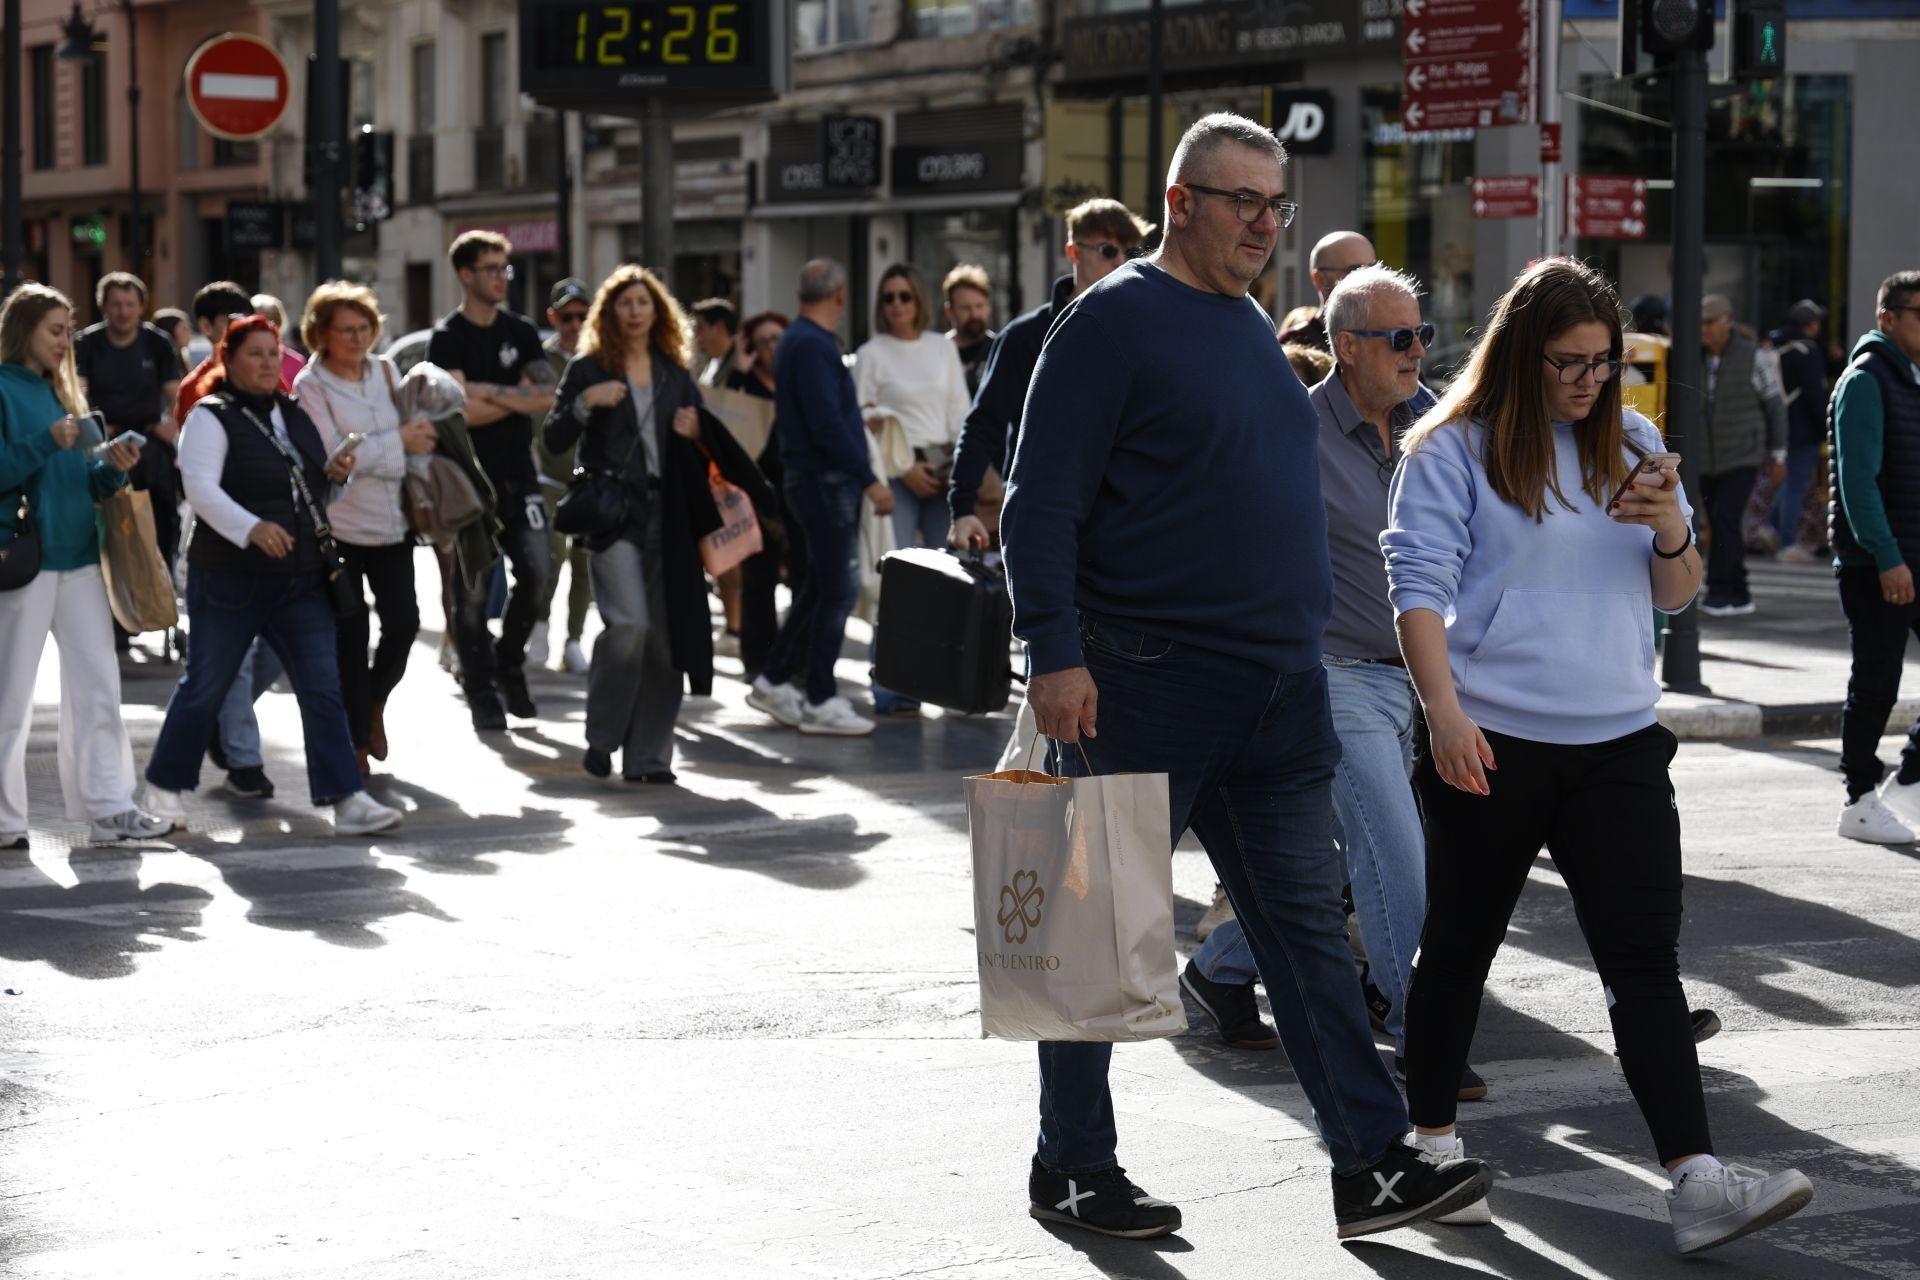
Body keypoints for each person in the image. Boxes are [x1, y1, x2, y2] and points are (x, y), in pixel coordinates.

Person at [1002, 112, 1490, 1242]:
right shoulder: (1113, 319)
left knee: (1309, 936)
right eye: (1242, 203)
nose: (1265, 225)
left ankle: (1371, 1163)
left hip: (1279, 688)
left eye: (1279, 206)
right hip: (1143, 678)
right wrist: (1053, 650)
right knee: (1099, 932)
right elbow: (1041, 499)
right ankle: (1071, 1167)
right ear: (1181, 202)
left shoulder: (1250, 328)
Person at [1383, 257, 1812, 1252]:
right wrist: (1442, 714)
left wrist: (1670, 527)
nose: (1587, 380)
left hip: (1619, 738)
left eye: (1603, 362)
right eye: (1568, 362)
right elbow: (1415, 587)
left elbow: (1676, 593)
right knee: (1459, 945)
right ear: (1521, 354)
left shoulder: (1636, 439)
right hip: (1492, 736)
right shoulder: (1453, 447)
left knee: (1644, 961)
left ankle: (1697, 1182)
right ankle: (1432, 1148)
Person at [1184, 264, 1494, 1099]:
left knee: (1323, 877)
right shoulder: (1291, 427)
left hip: (1429, 681)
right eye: (1399, 338)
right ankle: (1421, 1024)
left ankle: (1217, 968)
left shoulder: (1436, 426)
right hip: (1332, 675)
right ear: (1345, 347)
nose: (1417, 351)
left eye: (1423, 334)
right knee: (1397, 855)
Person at [139, 317, 403, 837]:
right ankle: (163, 789)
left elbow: (314, 498)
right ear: (228, 360)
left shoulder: (291, 412)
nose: (266, 363)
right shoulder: (211, 417)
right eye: (254, 353)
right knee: (206, 685)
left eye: (272, 353)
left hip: (300, 575)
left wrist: (336, 478)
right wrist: (251, 527)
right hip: (230, 577)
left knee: (321, 687)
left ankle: (346, 797)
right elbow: (200, 490)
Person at [544, 265, 772, 782]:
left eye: (643, 303)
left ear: (658, 311)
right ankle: (603, 736)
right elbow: (553, 439)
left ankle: (649, 757)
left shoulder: (673, 372)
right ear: (609, 312)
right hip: (612, 515)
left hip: (668, 517)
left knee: (668, 639)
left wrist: (697, 429)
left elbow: (705, 440)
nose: (634, 311)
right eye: (624, 303)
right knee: (629, 627)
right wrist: (584, 404)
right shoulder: (587, 369)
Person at [0, 284, 169, 847]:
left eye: (68, 331)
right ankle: (4, 821)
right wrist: (47, 441)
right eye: (55, 330)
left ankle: (110, 806)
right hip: (25, 559)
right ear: (23, 330)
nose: (64, 342)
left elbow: (84, 482)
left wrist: (114, 468)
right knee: (10, 698)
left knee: (99, 688)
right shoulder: (4, 388)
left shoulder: (63, 392)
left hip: (78, 562)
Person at [948, 198, 1153, 554]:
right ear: (1074, 252)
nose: (1120, 263)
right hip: (1041, 516)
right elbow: (984, 424)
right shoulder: (1024, 337)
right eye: (1107, 250)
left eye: (1129, 252)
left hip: (1122, 523)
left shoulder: (1144, 333)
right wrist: (962, 508)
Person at [744, 259, 896, 737]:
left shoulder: (800, 341)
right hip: (824, 480)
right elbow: (826, 422)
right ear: (840, 296)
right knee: (839, 589)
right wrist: (869, 477)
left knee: (819, 585)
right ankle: (819, 697)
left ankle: (774, 679)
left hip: (814, 478)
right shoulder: (810, 343)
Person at [292, 282, 437, 774]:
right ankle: (355, 739)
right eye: (346, 331)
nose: (358, 339)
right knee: (349, 636)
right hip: (339, 527)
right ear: (321, 334)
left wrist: (393, 445)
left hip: (393, 522)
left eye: (364, 329)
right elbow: (337, 458)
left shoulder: (385, 370)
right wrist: (397, 440)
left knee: (404, 623)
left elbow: (413, 441)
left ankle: (375, 703)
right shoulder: (310, 386)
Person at [427, 230, 556, 732]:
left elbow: (546, 395)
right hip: (466, 481)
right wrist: (512, 395)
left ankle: (509, 660)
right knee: (473, 592)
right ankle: (481, 688)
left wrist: (483, 391)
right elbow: (456, 412)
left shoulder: (521, 331)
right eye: (491, 268)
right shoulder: (447, 337)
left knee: (539, 570)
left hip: (519, 475)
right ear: (465, 274)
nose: (502, 277)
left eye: (505, 268)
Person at [855, 263, 972, 717]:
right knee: (895, 584)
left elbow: (960, 411)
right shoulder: (871, 353)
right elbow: (863, 421)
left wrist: (954, 469)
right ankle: (888, 684)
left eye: (905, 295)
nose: (897, 305)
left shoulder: (939, 350)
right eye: (888, 297)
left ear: (918, 300)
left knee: (950, 583)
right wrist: (904, 470)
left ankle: (943, 683)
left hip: (942, 469)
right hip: (896, 473)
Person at [1829, 270, 1920, 844]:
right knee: (1877, 683)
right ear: (1888, 318)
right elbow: (1858, 483)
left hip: (1912, 555)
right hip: (1878, 565)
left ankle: (1910, 776)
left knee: (1880, 679)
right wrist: (1888, 557)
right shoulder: (1866, 380)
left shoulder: (1910, 379)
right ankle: (1859, 799)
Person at [73, 272, 185, 574]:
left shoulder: (158, 343)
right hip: (103, 445)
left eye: (129, 304)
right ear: (103, 307)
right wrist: (95, 428)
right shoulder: (86, 343)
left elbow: (177, 393)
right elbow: (76, 392)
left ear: (141, 307)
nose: (123, 311)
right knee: (107, 521)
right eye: (116, 304)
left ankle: (162, 579)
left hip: (148, 443)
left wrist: (171, 426)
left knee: (162, 517)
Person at [1697, 293, 1788, 616]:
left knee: (1725, 518)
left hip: (1743, 455)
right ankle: (1740, 590)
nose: (1703, 330)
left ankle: (1720, 590)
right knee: (1721, 523)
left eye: (1710, 323)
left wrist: (1778, 455)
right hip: (1706, 457)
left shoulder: (1752, 357)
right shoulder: (1696, 357)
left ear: (1727, 322)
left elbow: (1775, 407)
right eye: (1701, 323)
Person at [725, 310, 798, 678]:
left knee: (803, 578)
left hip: (797, 493)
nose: (772, 348)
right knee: (759, 582)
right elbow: (724, 422)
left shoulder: (797, 381)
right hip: (754, 498)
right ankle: (758, 661)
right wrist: (739, 369)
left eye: (778, 339)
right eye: (764, 341)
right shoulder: (745, 385)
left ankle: (797, 658)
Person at [532, 277, 595, 675]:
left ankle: (573, 640)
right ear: (553, 317)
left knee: (585, 561)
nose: (574, 324)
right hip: (548, 476)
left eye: (581, 316)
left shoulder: (599, 360)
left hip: (588, 478)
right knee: (550, 558)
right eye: (566, 316)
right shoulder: (541, 362)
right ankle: (539, 627)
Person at [1768, 299, 1831, 564]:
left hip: (1782, 423)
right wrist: (1826, 424)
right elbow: (1816, 394)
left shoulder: (1779, 347)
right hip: (1804, 426)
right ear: (1812, 324)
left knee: (1791, 481)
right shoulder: (1808, 351)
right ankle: (1787, 543)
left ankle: (1769, 527)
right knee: (1797, 484)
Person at [174, 281, 256, 424]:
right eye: (231, 321)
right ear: (206, 326)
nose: (241, 329)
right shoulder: (191, 388)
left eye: (245, 321)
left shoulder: (266, 374)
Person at [1287, 230, 1379, 350]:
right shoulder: (1295, 344)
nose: (1368, 278)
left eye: (1373, 269)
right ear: (1320, 279)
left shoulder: (1385, 337)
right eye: (1355, 270)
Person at [942, 264, 996, 396]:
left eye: (979, 306)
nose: (974, 315)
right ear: (950, 311)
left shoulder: (999, 350)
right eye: (966, 308)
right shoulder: (938, 351)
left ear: (988, 307)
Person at [252, 294, 309, 385]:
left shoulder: (297, 362)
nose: (263, 328)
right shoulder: (239, 360)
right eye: (255, 323)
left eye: (269, 321)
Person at [690, 298, 739, 389]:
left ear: (719, 328)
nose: (696, 334)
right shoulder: (710, 363)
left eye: (700, 328)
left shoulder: (742, 364)